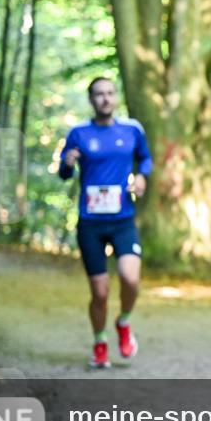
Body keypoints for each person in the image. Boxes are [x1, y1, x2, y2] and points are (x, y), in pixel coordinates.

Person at [58, 77, 153, 369]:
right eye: (99, 95)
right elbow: (63, 173)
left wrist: (140, 177)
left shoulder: (132, 129)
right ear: (91, 99)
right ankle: (100, 341)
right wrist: (68, 161)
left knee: (130, 278)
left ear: (116, 98)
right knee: (99, 292)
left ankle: (123, 322)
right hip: (90, 223)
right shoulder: (78, 133)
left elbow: (145, 159)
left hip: (123, 219)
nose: (105, 99)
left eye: (110, 93)